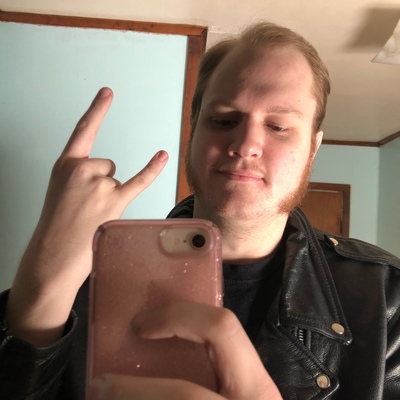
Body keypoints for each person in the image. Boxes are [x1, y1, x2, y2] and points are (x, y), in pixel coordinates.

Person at [1, 21, 399, 400]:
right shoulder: (90, 276)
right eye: (224, 120)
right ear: (194, 130)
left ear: (313, 147)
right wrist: (42, 286)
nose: (245, 145)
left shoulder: (388, 298)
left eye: (278, 126)